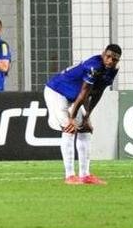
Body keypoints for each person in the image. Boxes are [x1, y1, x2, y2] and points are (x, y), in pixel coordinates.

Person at [44, 44, 121, 185]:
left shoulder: (111, 71)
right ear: (103, 53)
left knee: (85, 129)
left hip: (72, 96)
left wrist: (87, 117)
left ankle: (85, 175)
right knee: (69, 127)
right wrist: (72, 118)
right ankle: (70, 176)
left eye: (114, 59)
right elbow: (83, 93)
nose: (110, 61)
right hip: (57, 91)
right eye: (108, 56)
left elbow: (97, 93)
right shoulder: (94, 66)